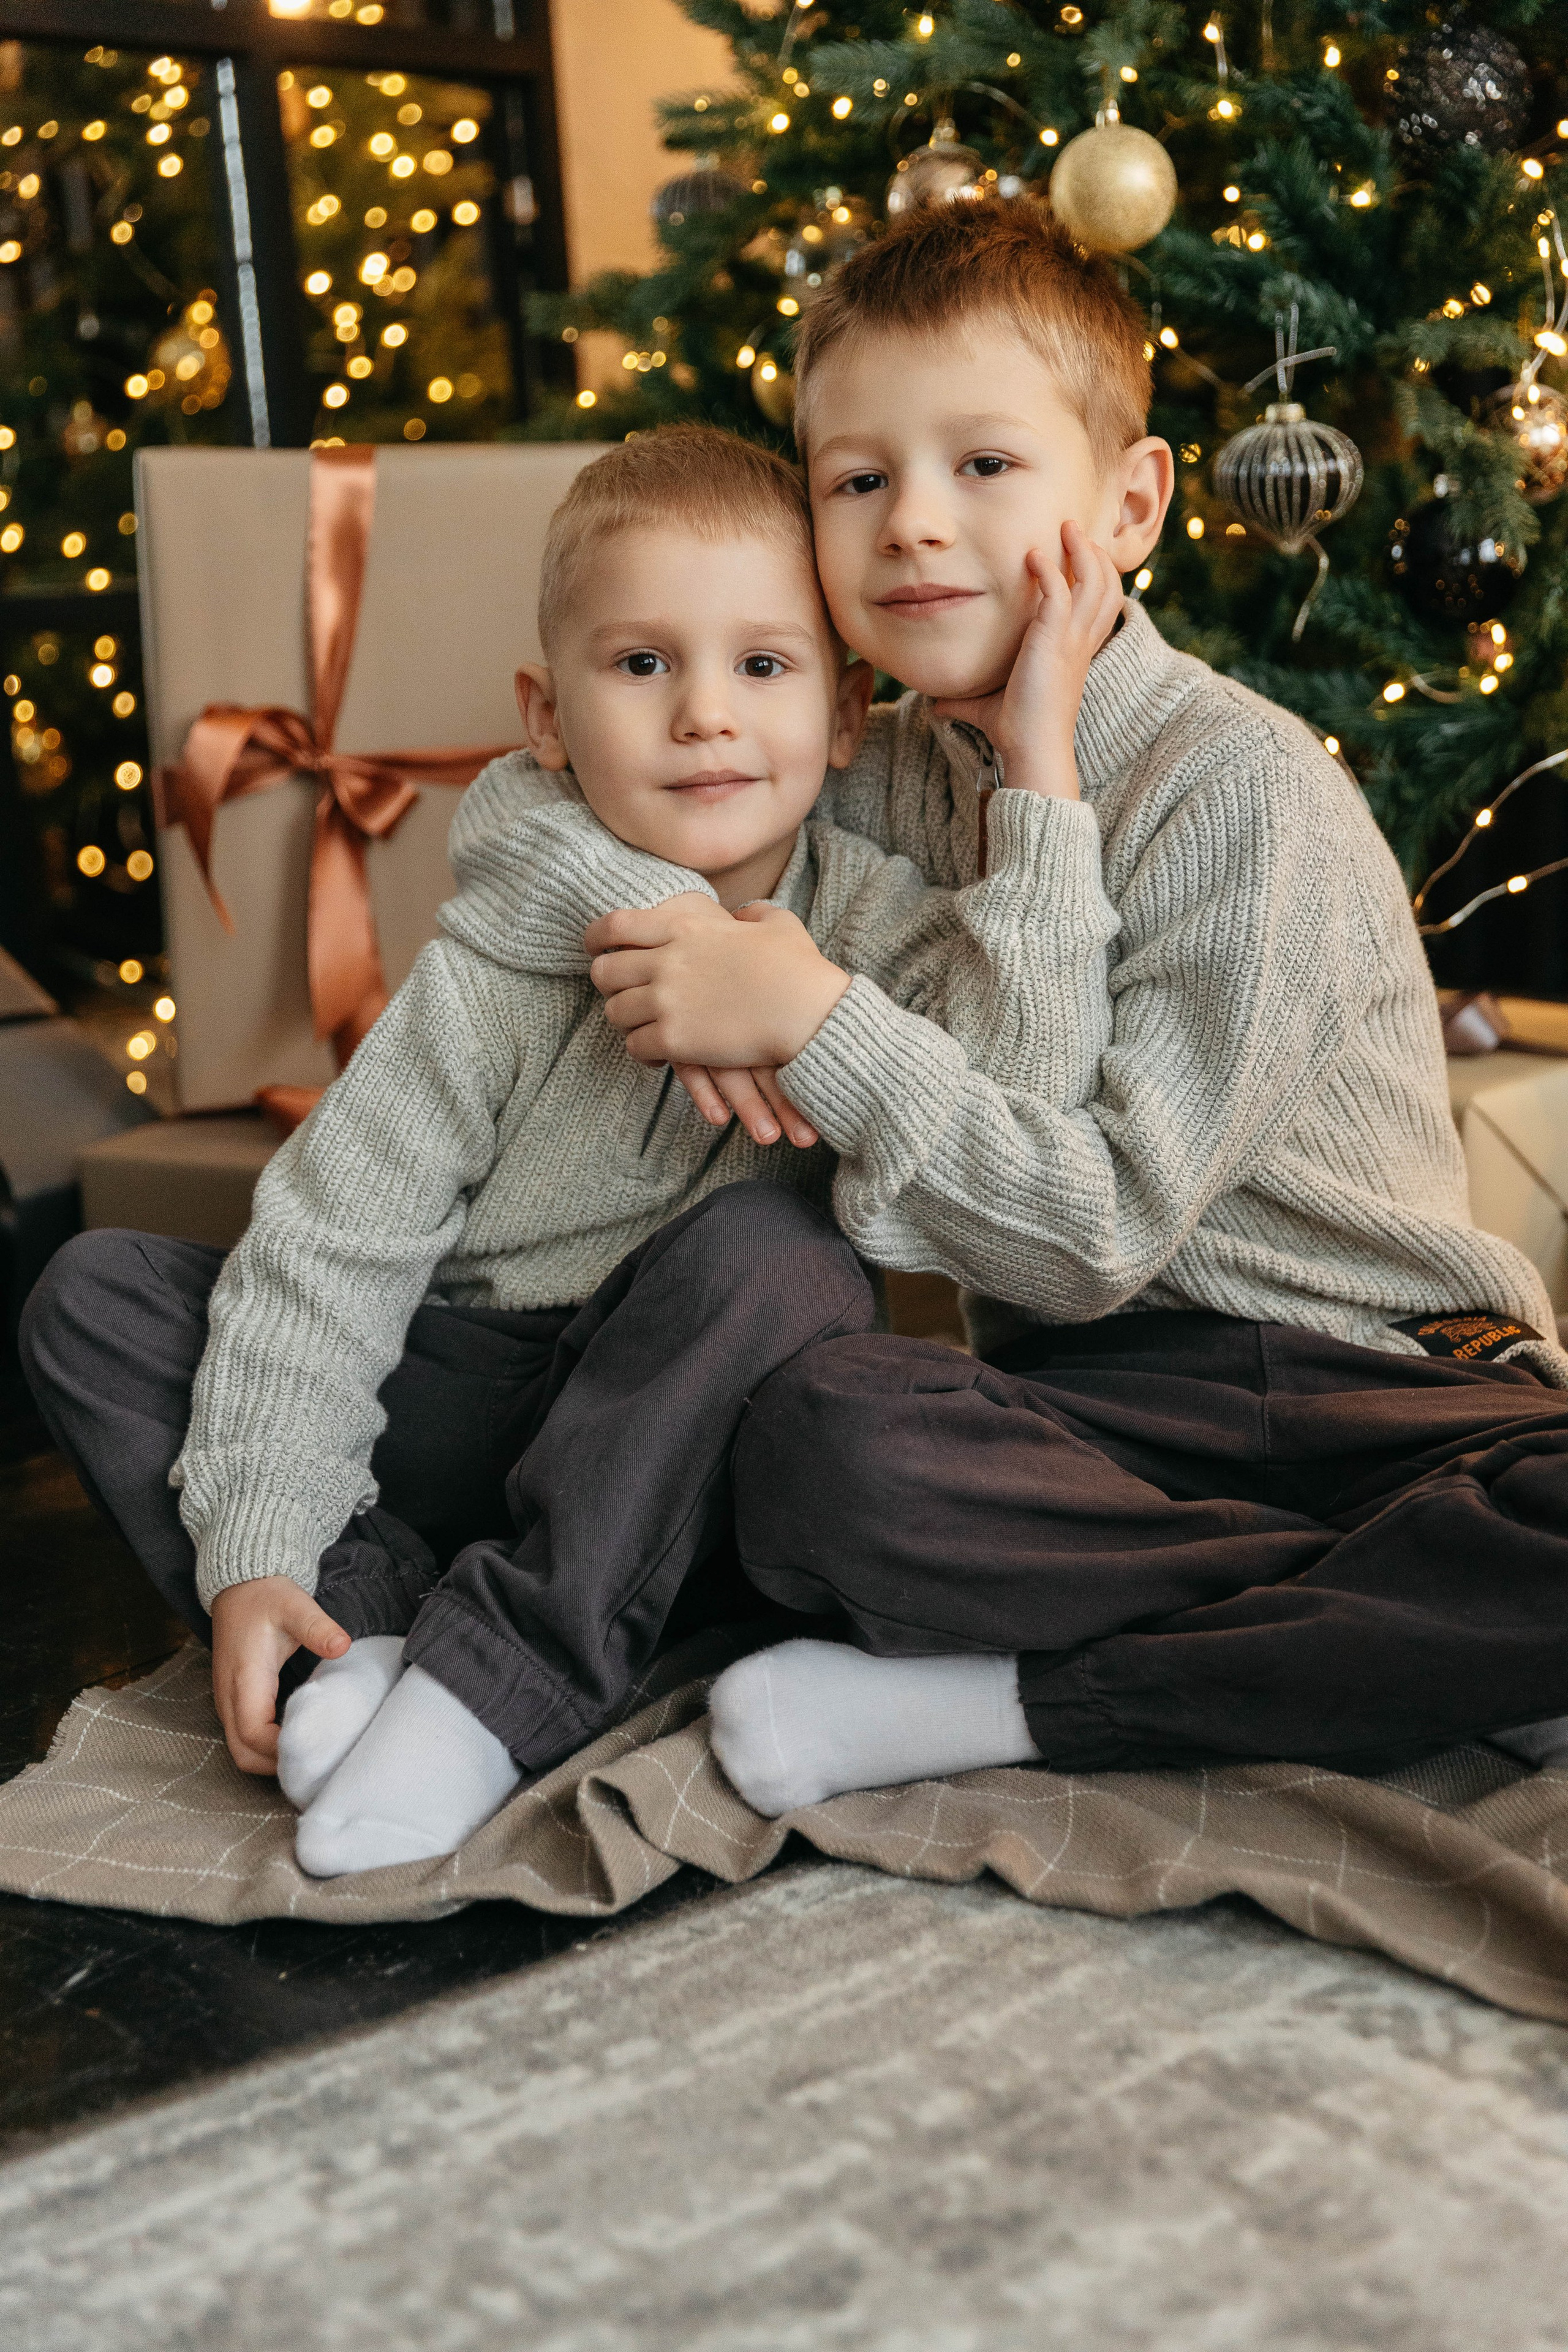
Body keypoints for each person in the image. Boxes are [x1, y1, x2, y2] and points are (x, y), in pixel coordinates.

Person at [544, 199, 1568, 1815]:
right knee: (820, 1445)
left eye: (984, 466)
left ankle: (1029, 1701)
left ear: (1130, 503)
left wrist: (821, 1011)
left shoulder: (1241, 791)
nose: (913, 526)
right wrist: (676, 906)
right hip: (1099, 1411)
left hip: (1381, 1381)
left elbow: (1093, 1235)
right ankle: (1379, 1637)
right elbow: (572, 804)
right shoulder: (865, 771)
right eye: (857, 481)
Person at [20, 420, 1126, 1874]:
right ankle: (359, 1636)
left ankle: (502, 1681)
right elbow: (332, 1243)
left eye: (762, 666)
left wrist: (1037, 778)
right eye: (643, 664)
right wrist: (263, 1543)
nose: (704, 717)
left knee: (778, 1253)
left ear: (846, 712)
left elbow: (1026, 1112)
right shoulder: (496, 961)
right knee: (93, 1296)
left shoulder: (869, 925)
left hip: (684, 1432)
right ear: (545, 719)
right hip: (465, 1396)